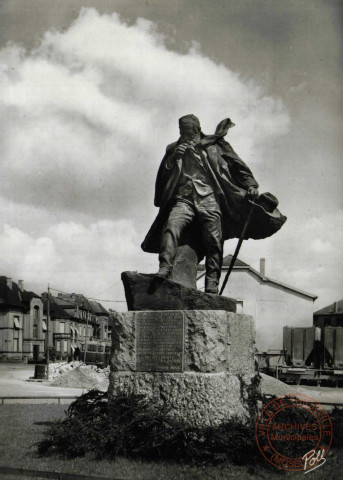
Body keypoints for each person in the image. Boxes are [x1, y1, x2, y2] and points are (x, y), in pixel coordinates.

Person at [142, 114, 285, 294]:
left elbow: (238, 165)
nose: (185, 134)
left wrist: (251, 185)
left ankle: (212, 281)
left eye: (188, 131)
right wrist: (173, 160)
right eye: (182, 131)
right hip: (184, 197)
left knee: (214, 239)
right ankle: (165, 266)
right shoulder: (173, 148)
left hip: (209, 198)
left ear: (197, 129)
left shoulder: (215, 145)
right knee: (171, 225)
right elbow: (162, 179)